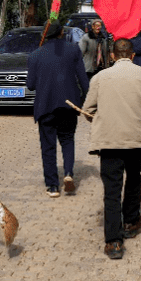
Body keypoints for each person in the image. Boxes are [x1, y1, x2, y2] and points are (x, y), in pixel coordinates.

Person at [82, 38, 141, 260]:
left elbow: (87, 110)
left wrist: (100, 117)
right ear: (132, 55)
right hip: (134, 140)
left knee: (112, 191)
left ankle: (113, 242)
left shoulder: (99, 78)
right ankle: (131, 222)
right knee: (133, 179)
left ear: (112, 56)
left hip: (109, 142)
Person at [27, 19, 89, 197]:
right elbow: (84, 81)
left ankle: (52, 186)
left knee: (48, 147)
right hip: (69, 105)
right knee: (68, 140)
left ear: (45, 35)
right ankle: (68, 173)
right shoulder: (73, 50)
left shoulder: (35, 55)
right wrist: (87, 103)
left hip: (45, 107)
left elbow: (30, 85)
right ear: (62, 32)